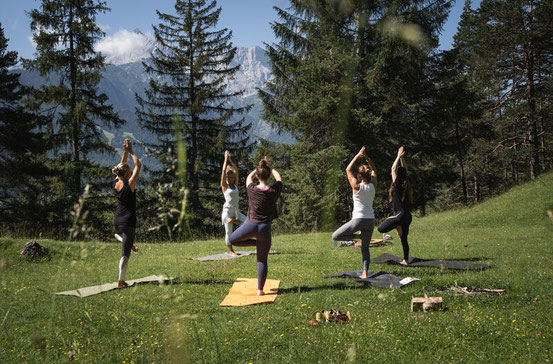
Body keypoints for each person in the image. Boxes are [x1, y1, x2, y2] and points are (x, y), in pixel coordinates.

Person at [229, 157, 282, 296]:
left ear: (258, 176)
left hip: (250, 225)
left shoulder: (252, 189)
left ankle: (256, 244)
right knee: (262, 259)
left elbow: (248, 177)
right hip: (264, 229)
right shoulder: (274, 191)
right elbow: (279, 178)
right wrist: (270, 168)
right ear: (269, 175)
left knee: (232, 241)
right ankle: (260, 290)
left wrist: (260, 167)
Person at [332, 147, 377, 279]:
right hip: (370, 221)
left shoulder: (356, 186)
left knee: (336, 236)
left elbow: (347, 169)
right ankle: (365, 273)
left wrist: (358, 155)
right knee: (365, 248)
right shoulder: (373, 184)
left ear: (359, 176)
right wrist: (367, 157)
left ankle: (358, 237)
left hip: (358, 220)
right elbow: (374, 169)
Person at [112, 138, 141, 288]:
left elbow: (121, 166)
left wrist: (124, 152)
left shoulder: (116, 183)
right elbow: (138, 165)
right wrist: (131, 151)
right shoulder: (129, 184)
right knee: (125, 254)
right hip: (128, 221)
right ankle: (121, 281)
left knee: (122, 239)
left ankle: (129, 244)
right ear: (127, 172)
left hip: (117, 221)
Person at [377, 146, 413, 266]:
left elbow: (392, 169)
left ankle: (397, 224)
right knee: (403, 238)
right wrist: (402, 158)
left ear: (397, 177)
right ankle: (406, 260)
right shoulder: (406, 184)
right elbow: (405, 170)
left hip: (399, 215)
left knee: (380, 228)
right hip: (407, 216)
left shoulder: (397, 184)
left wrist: (398, 156)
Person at [221, 150, 246, 256]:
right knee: (228, 231)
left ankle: (234, 222)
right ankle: (231, 251)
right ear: (226, 178)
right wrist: (225, 160)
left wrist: (230, 159)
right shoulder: (224, 186)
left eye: (232, 177)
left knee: (247, 222)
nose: (231, 178)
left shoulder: (235, 185)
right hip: (227, 211)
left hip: (236, 210)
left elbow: (236, 170)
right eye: (229, 177)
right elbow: (223, 172)